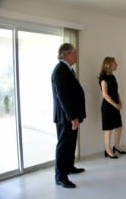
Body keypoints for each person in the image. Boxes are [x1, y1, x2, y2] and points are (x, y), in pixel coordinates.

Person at [51, 43, 86, 188]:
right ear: (67, 54)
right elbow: (62, 97)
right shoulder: (60, 70)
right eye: (75, 53)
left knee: (71, 143)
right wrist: (72, 117)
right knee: (64, 146)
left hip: (71, 115)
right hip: (66, 117)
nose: (76, 55)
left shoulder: (67, 69)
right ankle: (60, 176)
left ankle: (69, 167)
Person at [98, 57, 126, 159]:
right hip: (108, 106)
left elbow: (115, 92)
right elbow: (105, 95)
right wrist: (115, 105)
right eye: (115, 63)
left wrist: (120, 102)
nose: (117, 64)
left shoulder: (113, 77)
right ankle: (108, 150)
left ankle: (117, 146)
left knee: (119, 126)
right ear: (108, 64)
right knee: (108, 129)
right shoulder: (103, 78)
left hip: (115, 105)